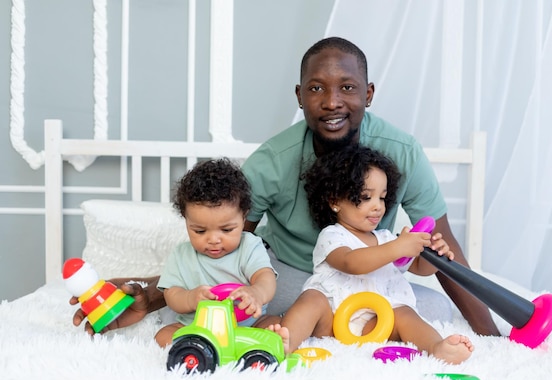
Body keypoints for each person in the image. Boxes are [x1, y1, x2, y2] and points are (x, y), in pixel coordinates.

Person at [70, 36, 500, 337]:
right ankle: (318, 326)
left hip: (371, 273)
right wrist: (156, 292)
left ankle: (335, 325)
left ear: (368, 93)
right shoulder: (272, 162)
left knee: (439, 311)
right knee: (249, 303)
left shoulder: (402, 151)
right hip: (295, 273)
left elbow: (443, 251)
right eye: (317, 88)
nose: (332, 101)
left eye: (347, 88)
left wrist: (493, 338)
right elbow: (225, 244)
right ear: (299, 96)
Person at [268, 145, 474, 364]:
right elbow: (351, 262)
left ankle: (436, 347)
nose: (377, 207)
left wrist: (432, 255)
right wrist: (398, 247)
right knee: (312, 300)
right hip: (332, 318)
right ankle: (286, 341)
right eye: (366, 197)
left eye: (382, 198)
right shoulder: (332, 235)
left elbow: (419, 269)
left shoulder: (387, 238)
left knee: (405, 314)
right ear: (335, 201)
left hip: (377, 321)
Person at [153, 159, 277, 347]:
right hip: (198, 327)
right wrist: (190, 298)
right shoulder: (181, 255)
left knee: (277, 325)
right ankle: (202, 347)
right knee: (163, 336)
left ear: (244, 217)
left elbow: (265, 277)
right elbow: (172, 295)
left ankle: (245, 345)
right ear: (186, 220)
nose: (213, 240)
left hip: (247, 325)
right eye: (200, 231)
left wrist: (257, 293)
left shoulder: (250, 246)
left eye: (226, 230)